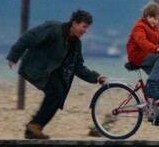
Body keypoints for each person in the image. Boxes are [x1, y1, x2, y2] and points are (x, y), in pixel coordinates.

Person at [6, 9, 108, 139]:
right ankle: (34, 126)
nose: (86, 31)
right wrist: (14, 55)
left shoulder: (76, 43)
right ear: (75, 23)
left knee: (58, 94)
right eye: (84, 27)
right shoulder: (53, 28)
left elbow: (78, 67)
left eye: (87, 28)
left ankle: (34, 127)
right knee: (56, 92)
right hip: (37, 67)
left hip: (51, 70)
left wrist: (97, 77)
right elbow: (29, 37)